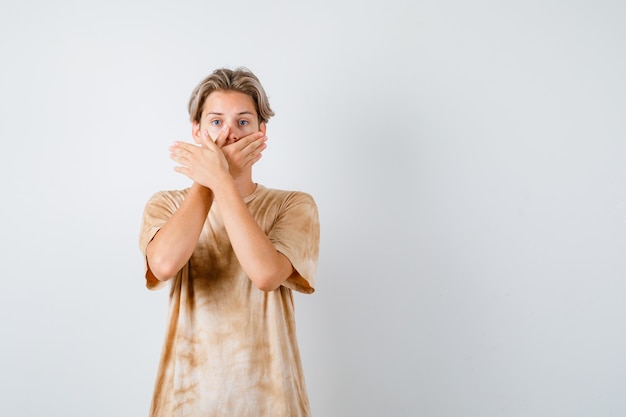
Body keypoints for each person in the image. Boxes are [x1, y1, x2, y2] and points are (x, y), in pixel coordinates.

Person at [139, 67, 320, 417]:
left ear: (261, 132)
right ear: (197, 131)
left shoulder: (294, 205)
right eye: (217, 122)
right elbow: (162, 266)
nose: (230, 134)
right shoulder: (166, 205)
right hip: (186, 400)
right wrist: (209, 182)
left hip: (271, 401)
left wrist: (220, 179)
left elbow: (266, 275)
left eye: (243, 122)